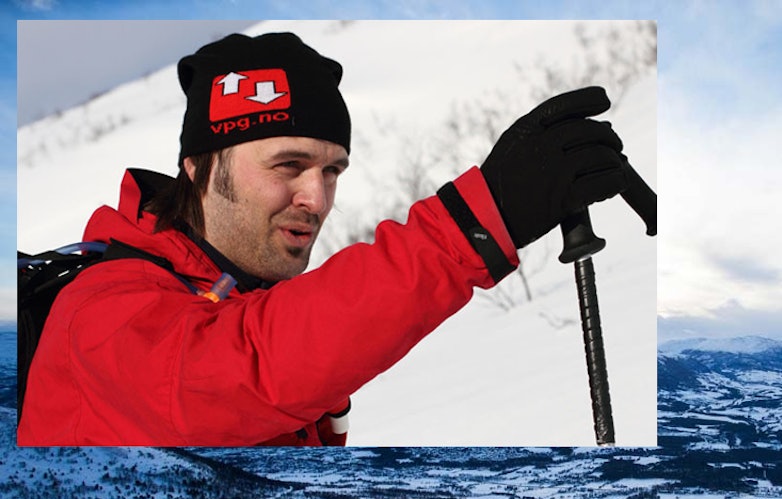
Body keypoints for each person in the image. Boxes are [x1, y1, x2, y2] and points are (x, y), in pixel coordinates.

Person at [18, 31, 643, 447]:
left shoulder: (240, 293)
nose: (315, 199)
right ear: (200, 167)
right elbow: (246, 370)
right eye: (287, 166)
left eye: (332, 170)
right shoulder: (102, 311)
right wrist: (479, 220)